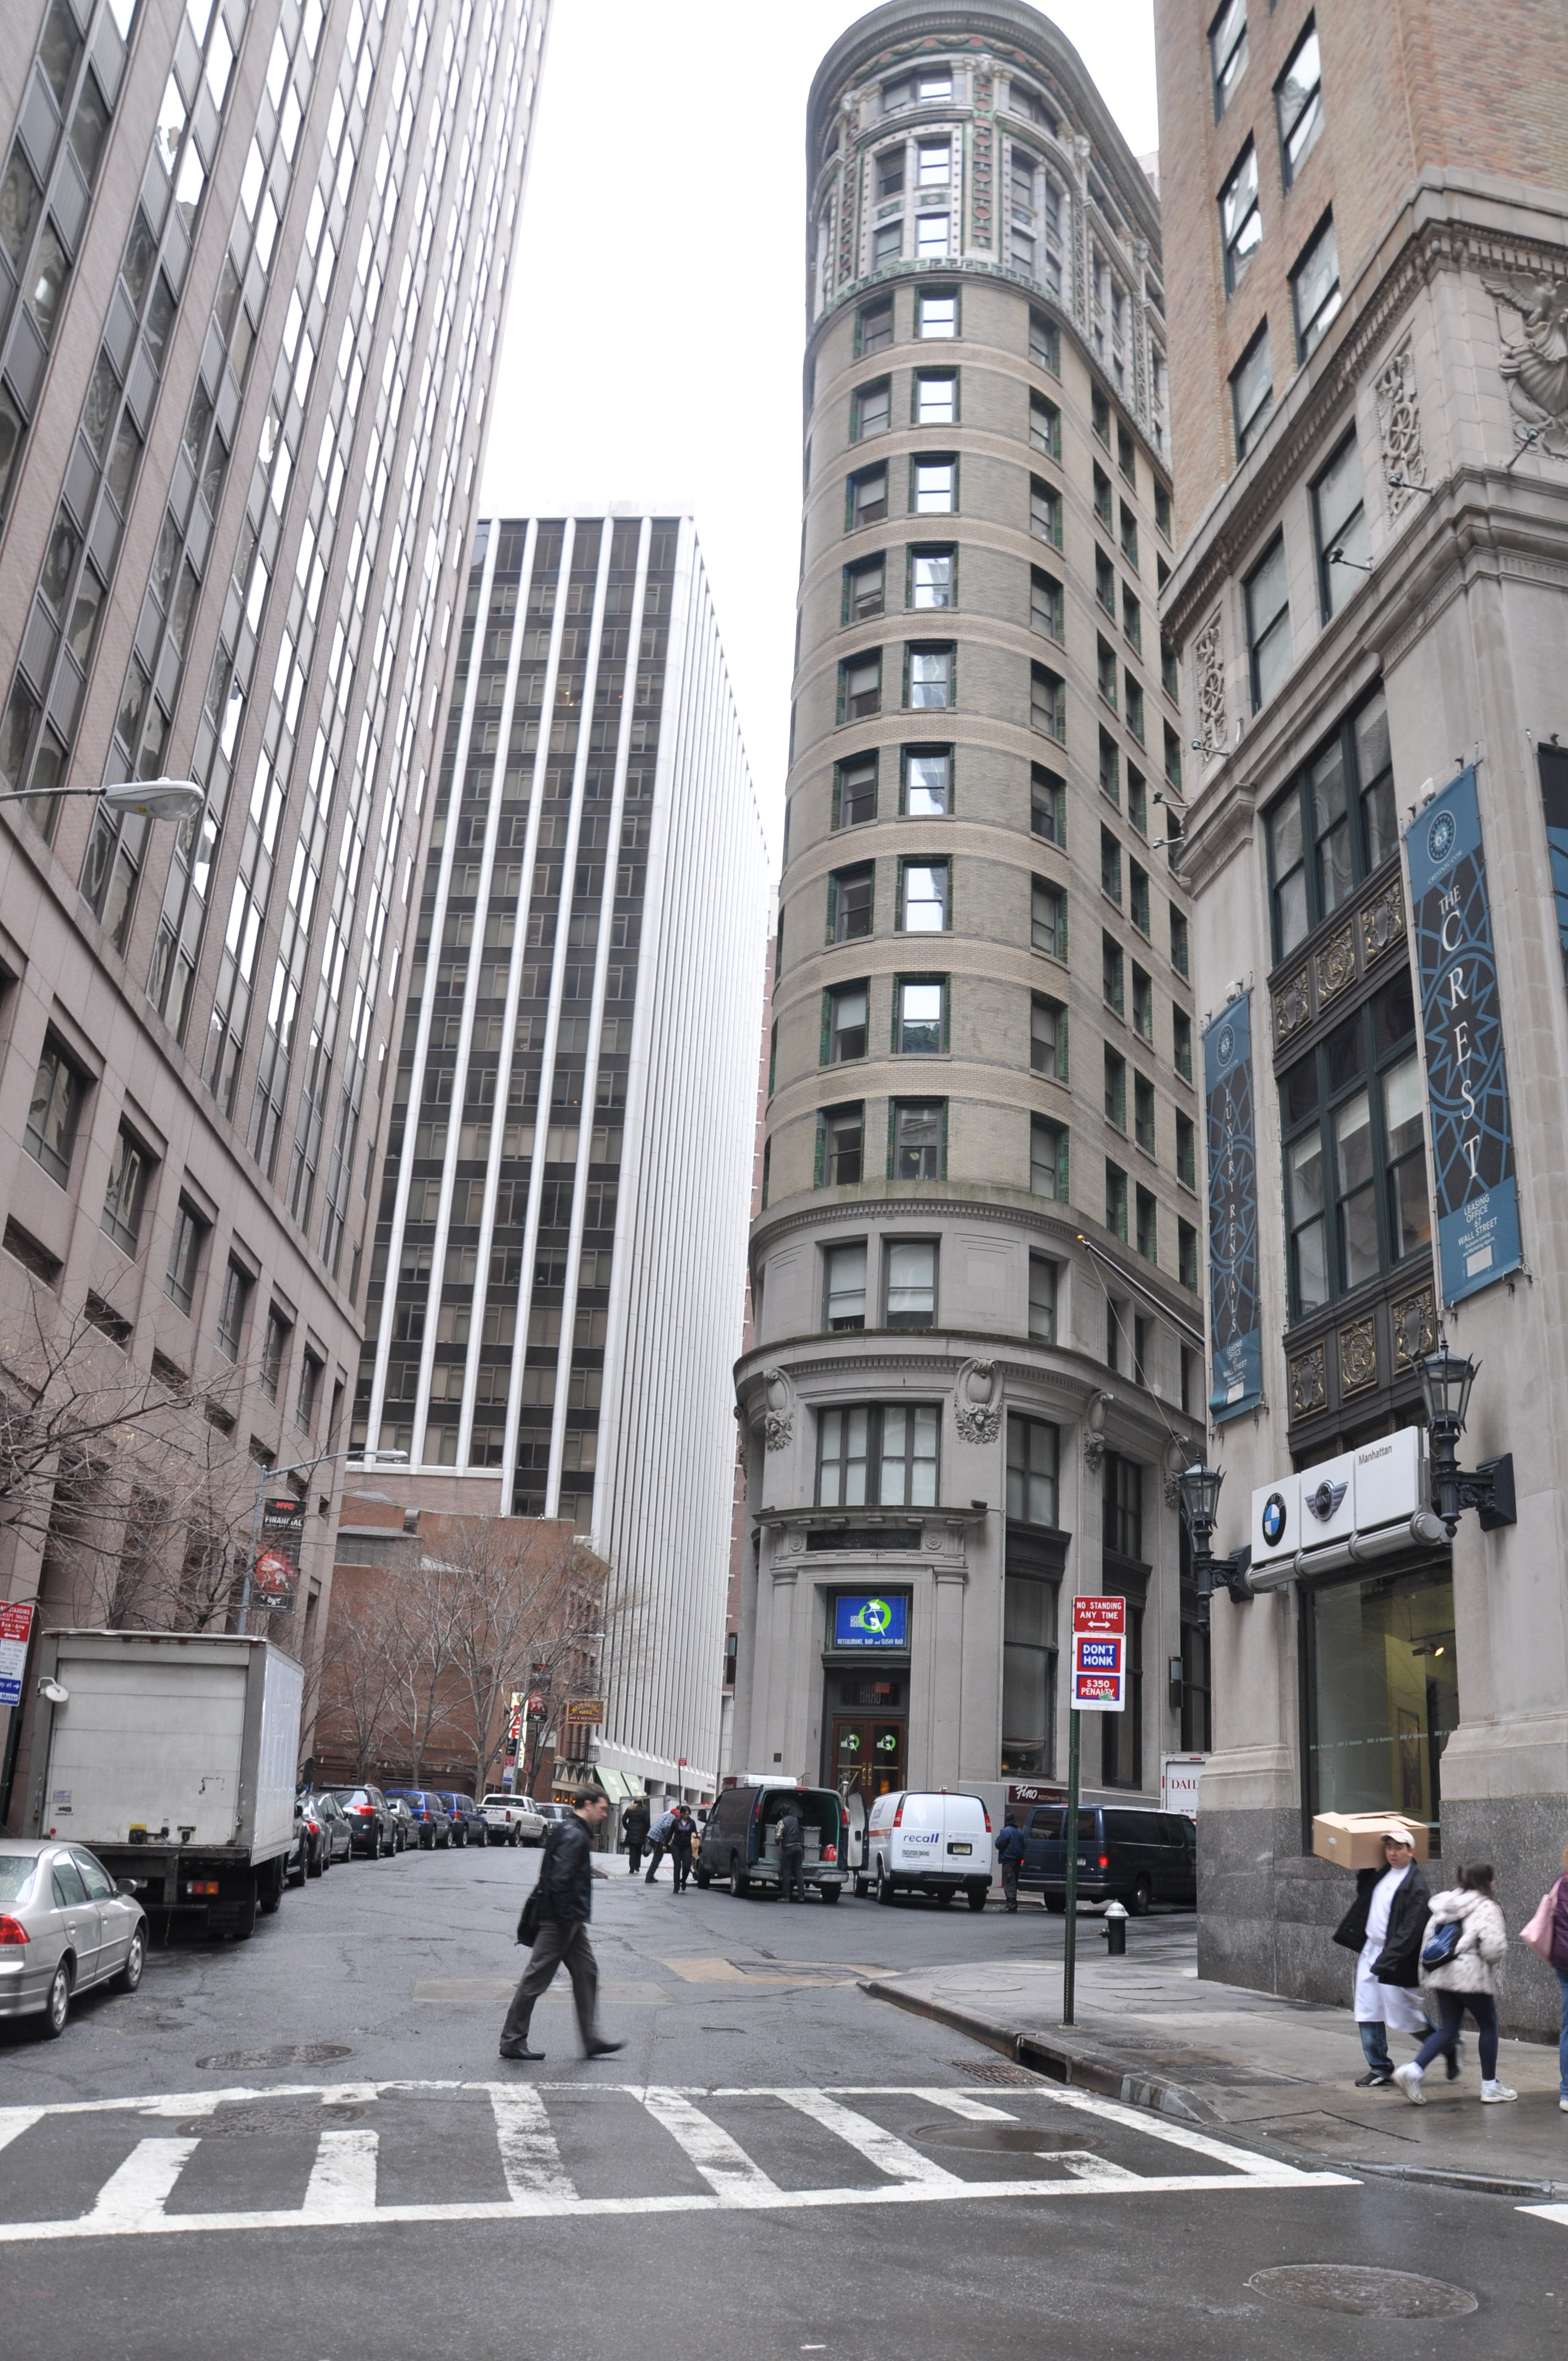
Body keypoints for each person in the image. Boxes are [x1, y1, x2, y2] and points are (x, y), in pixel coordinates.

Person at [499, 1786, 624, 2062]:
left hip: (569, 1920)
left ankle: (591, 2039)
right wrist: (565, 1920)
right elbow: (560, 1879)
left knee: (586, 1971)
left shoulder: (570, 1830)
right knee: (536, 1979)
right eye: (602, 1809)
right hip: (561, 1920)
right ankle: (512, 2040)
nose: (604, 1814)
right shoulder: (575, 1835)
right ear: (588, 1805)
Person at [1392, 1862, 1515, 2105]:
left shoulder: (1446, 1903)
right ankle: (1490, 2086)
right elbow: (1493, 1950)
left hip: (1442, 1973)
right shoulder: (1487, 1907)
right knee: (1488, 2025)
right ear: (1487, 1881)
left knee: (1449, 2028)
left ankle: (1413, 2070)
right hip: (1470, 1976)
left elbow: (1430, 1938)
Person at [1331, 1824, 1432, 2086]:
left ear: (1411, 1850)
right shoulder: (1384, 1874)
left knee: (1405, 2015)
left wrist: (1388, 1960)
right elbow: (1365, 1896)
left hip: (1395, 1958)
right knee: (1367, 2009)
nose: (1393, 1853)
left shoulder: (1416, 1885)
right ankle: (1380, 2067)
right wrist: (1364, 1868)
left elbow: (1410, 1930)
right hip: (1372, 1951)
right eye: (1388, 1847)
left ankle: (1445, 2042)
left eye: (1398, 1848)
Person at [995, 1813, 1026, 1913]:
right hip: (1017, 1860)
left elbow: (999, 1844)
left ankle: (1011, 1905)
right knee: (1014, 1882)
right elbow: (1024, 1844)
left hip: (1008, 1860)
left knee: (1009, 1882)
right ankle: (1014, 1903)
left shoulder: (1006, 1831)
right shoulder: (1019, 1831)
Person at [778, 1800, 805, 1902]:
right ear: (790, 1812)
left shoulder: (782, 1822)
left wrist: (778, 1843)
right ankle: (801, 1897)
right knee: (799, 1871)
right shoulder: (795, 1820)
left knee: (787, 1872)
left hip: (788, 1848)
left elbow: (778, 1836)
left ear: (781, 1813)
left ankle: (786, 1897)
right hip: (798, 1847)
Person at [644, 1803, 678, 1884]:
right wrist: (668, 1841)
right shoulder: (672, 1817)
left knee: (657, 1858)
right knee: (657, 1858)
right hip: (658, 1839)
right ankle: (649, 1877)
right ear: (678, 1811)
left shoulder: (668, 1814)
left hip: (653, 1835)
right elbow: (666, 1828)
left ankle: (650, 1876)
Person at [669, 1804, 696, 1895]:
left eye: (688, 1814)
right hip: (676, 1846)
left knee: (686, 1866)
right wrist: (665, 1845)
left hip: (687, 1847)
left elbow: (695, 1832)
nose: (686, 1816)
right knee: (677, 1865)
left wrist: (694, 1834)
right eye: (685, 1814)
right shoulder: (676, 1822)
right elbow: (670, 1833)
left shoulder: (692, 1822)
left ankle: (683, 1880)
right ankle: (676, 1887)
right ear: (681, 1814)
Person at [622, 1796, 651, 1878]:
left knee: (632, 1851)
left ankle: (632, 1868)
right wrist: (646, 1832)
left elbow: (624, 1820)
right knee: (638, 1850)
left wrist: (628, 1828)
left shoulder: (630, 1809)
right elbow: (647, 1823)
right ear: (642, 1802)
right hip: (641, 1833)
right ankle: (637, 1866)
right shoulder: (645, 1810)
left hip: (631, 1833)